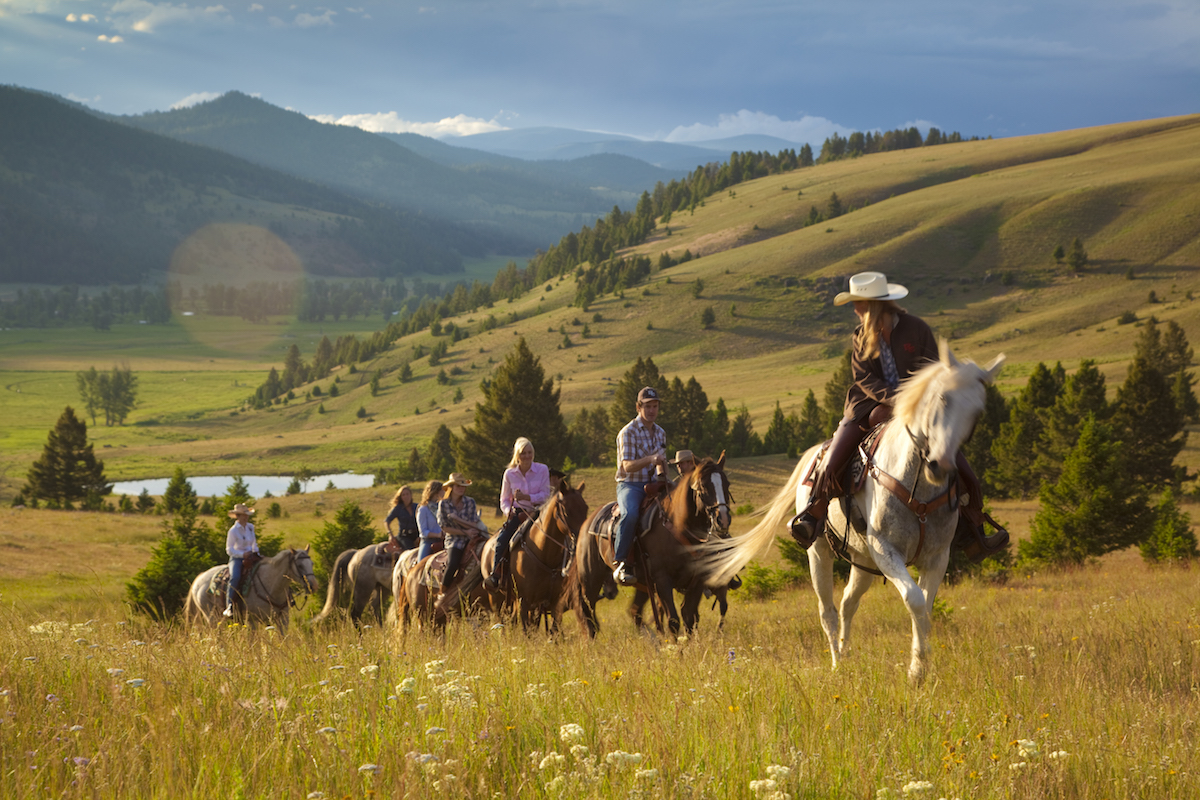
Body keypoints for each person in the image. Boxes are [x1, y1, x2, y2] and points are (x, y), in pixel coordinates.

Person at [789, 270, 1005, 556]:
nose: (854, 309)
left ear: (872, 305)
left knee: (963, 471)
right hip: (868, 408)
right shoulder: (860, 337)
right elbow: (863, 379)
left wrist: (918, 401)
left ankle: (974, 523)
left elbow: (934, 371)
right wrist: (897, 399)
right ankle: (814, 513)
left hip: (920, 412)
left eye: (858, 304)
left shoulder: (916, 329)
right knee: (830, 461)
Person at [612, 386, 667, 586]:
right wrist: (651, 459)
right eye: (647, 406)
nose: (652, 410)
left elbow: (661, 462)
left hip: (654, 483)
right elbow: (627, 466)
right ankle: (622, 561)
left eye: (655, 406)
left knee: (681, 504)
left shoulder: (661, 432)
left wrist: (663, 477)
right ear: (638, 407)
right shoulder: (628, 432)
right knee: (631, 514)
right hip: (630, 485)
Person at [484, 437, 553, 589]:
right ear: (517, 455)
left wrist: (527, 497)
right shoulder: (509, 474)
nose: (527, 456)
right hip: (518, 513)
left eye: (530, 453)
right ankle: (496, 574)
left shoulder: (542, 469)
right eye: (523, 453)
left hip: (538, 512)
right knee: (502, 540)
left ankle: (563, 572)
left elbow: (545, 494)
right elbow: (504, 499)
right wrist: (508, 511)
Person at [436, 472, 485, 599]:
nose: (461, 488)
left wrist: (458, 519)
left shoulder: (470, 502)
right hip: (454, 539)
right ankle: (443, 591)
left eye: (463, 486)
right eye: (458, 486)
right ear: (451, 487)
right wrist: (465, 532)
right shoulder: (444, 504)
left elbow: (473, 523)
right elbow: (445, 528)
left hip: (472, 537)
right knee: (453, 563)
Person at [223, 502, 258, 617]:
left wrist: (256, 553)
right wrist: (243, 554)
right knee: (235, 577)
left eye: (247, 514)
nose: (247, 517)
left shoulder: (250, 527)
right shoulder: (233, 531)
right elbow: (229, 549)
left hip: (252, 556)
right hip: (237, 558)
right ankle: (229, 606)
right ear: (238, 516)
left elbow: (254, 543)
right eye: (244, 515)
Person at [415, 480, 445, 562]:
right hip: (428, 542)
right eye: (442, 490)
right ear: (436, 492)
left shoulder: (444, 508)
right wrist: (438, 535)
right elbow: (423, 532)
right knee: (421, 564)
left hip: (445, 541)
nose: (444, 492)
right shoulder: (423, 509)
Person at [385, 485, 419, 552]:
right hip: (404, 536)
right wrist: (390, 535)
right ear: (401, 497)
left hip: (417, 534)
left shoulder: (417, 506)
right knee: (411, 551)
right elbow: (387, 521)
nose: (406, 496)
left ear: (411, 495)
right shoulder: (398, 508)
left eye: (407, 494)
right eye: (403, 495)